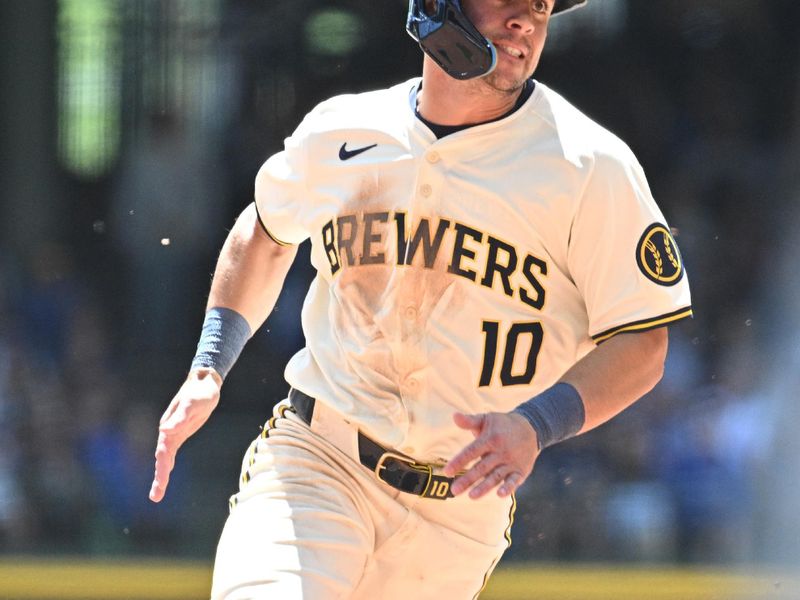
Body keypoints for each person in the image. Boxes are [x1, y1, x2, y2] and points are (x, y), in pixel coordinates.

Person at [149, 0, 692, 597]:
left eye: (540, 5)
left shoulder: (589, 166)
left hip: (459, 513)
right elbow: (265, 232)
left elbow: (644, 339)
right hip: (320, 461)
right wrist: (210, 363)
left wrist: (538, 424)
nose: (527, 19)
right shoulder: (344, 130)